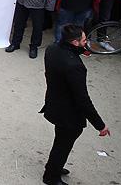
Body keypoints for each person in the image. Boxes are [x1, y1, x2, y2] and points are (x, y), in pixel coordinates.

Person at [40, 25, 109, 185]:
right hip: (68, 114)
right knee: (62, 145)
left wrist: (78, 52)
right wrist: (100, 125)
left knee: (60, 142)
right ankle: (51, 176)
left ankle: (54, 166)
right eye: (84, 40)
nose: (87, 42)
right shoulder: (75, 67)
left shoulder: (52, 49)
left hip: (54, 103)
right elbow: (83, 99)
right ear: (75, 42)